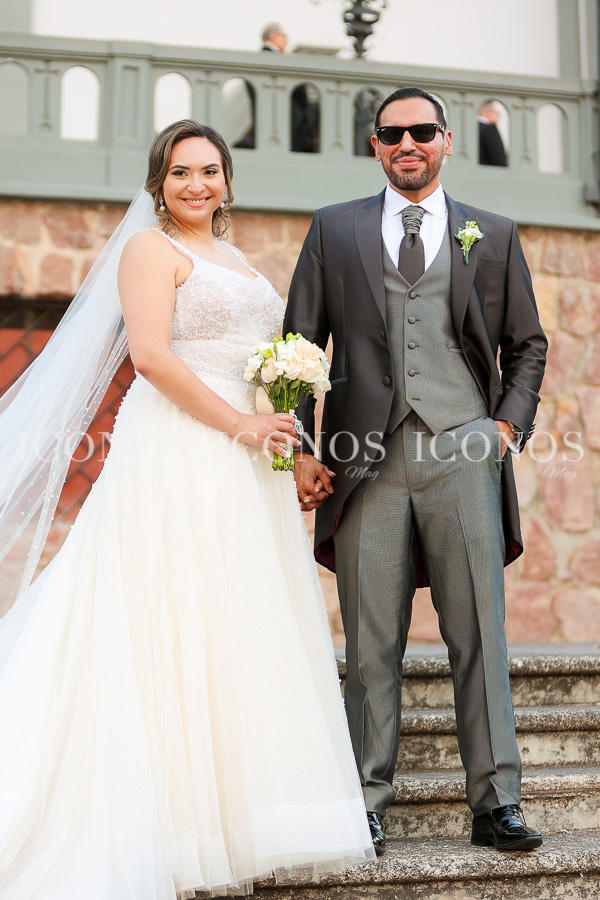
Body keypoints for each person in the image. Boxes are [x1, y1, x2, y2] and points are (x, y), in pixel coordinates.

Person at [0, 120, 374, 900]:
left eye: (209, 171)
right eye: (180, 173)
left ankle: (228, 815)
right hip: (178, 447)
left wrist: (292, 447)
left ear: (229, 181)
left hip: (249, 465)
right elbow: (154, 357)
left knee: (232, 619)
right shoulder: (149, 252)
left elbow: (268, 373)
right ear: (158, 182)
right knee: (167, 611)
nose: (196, 184)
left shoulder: (237, 259)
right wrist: (240, 424)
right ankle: (164, 817)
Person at [283, 87, 547, 856]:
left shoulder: (491, 234)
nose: (408, 143)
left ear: (446, 141)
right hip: (364, 462)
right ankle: (364, 801)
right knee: (369, 644)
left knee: (478, 634)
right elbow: (299, 345)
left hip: (464, 451)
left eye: (421, 131)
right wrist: (302, 444)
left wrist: (504, 427)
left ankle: (496, 802)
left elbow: (526, 345)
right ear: (374, 145)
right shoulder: (334, 231)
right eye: (393, 133)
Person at [260, 23, 318, 154]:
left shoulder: (268, 58)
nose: (287, 42)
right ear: (274, 36)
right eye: (285, 37)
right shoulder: (274, 59)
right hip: (288, 124)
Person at [478, 100, 508, 167]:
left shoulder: (469, 129)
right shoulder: (489, 129)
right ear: (489, 113)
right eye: (498, 114)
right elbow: (500, 160)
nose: (498, 119)